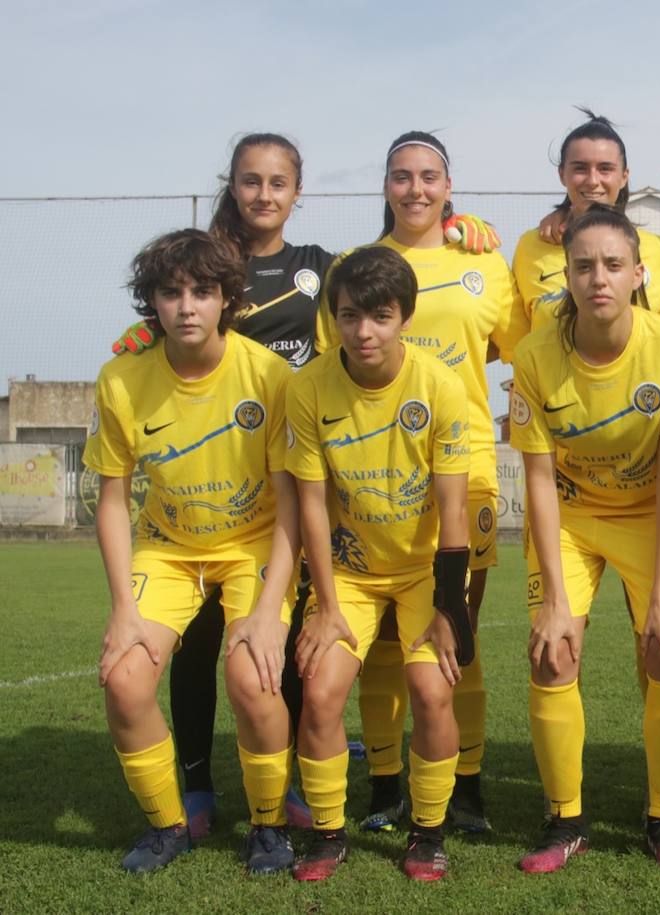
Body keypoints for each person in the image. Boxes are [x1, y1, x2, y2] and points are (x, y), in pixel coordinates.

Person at [107, 132, 500, 836]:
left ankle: (312, 785)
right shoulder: (199, 262)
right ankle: (197, 786)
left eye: (277, 183)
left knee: (296, 651)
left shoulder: (325, 267)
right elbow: (172, 310)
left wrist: (455, 226)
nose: (263, 195)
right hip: (232, 490)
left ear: (296, 191)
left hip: (298, 483)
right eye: (250, 181)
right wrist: (147, 332)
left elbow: (391, 277)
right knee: (202, 650)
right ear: (232, 184)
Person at [316, 130, 522, 833]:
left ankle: (464, 785)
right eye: (401, 176)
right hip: (371, 478)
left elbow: (523, 349)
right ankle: (383, 784)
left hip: (461, 475)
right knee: (377, 645)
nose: (415, 189)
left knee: (455, 635)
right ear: (384, 187)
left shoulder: (486, 262)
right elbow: (327, 374)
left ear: (449, 185)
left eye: (429, 176)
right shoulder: (356, 267)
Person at [88, 229, 300, 874]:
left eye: (202, 292)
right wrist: (123, 607)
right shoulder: (122, 380)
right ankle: (168, 826)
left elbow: (293, 500)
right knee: (124, 682)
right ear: (151, 302)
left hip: (251, 546)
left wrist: (268, 611)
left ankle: (267, 826)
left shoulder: (267, 375)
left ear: (227, 300)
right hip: (167, 550)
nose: (186, 306)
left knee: (253, 674)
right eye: (171, 292)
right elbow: (112, 500)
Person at [510, 205, 660, 875]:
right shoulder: (534, 354)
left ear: (638, 273)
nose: (599, 278)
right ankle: (564, 817)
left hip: (652, 514)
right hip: (571, 518)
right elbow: (536, 480)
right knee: (553, 650)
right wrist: (556, 602)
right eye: (585, 266)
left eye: (613, 265)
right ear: (565, 274)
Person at [286, 245, 471, 882]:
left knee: (431, 690)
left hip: (424, 572)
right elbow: (312, 505)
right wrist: (328, 605)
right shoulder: (307, 389)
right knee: (320, 693)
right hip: (352, 575)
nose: (364, 332)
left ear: (405, 318)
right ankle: (328, 834)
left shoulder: (440, 388)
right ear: (333, 319)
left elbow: (454, 510)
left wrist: (449, 607)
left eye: (380, 316)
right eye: (349, 316)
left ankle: (427, 832)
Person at [510, 109, 660, 336]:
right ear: (562, 174)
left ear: (624, 176)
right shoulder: (531, 247)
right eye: (580, 168)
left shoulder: (658, 250)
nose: (593, 180)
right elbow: (519, 343)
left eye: (605, 168)